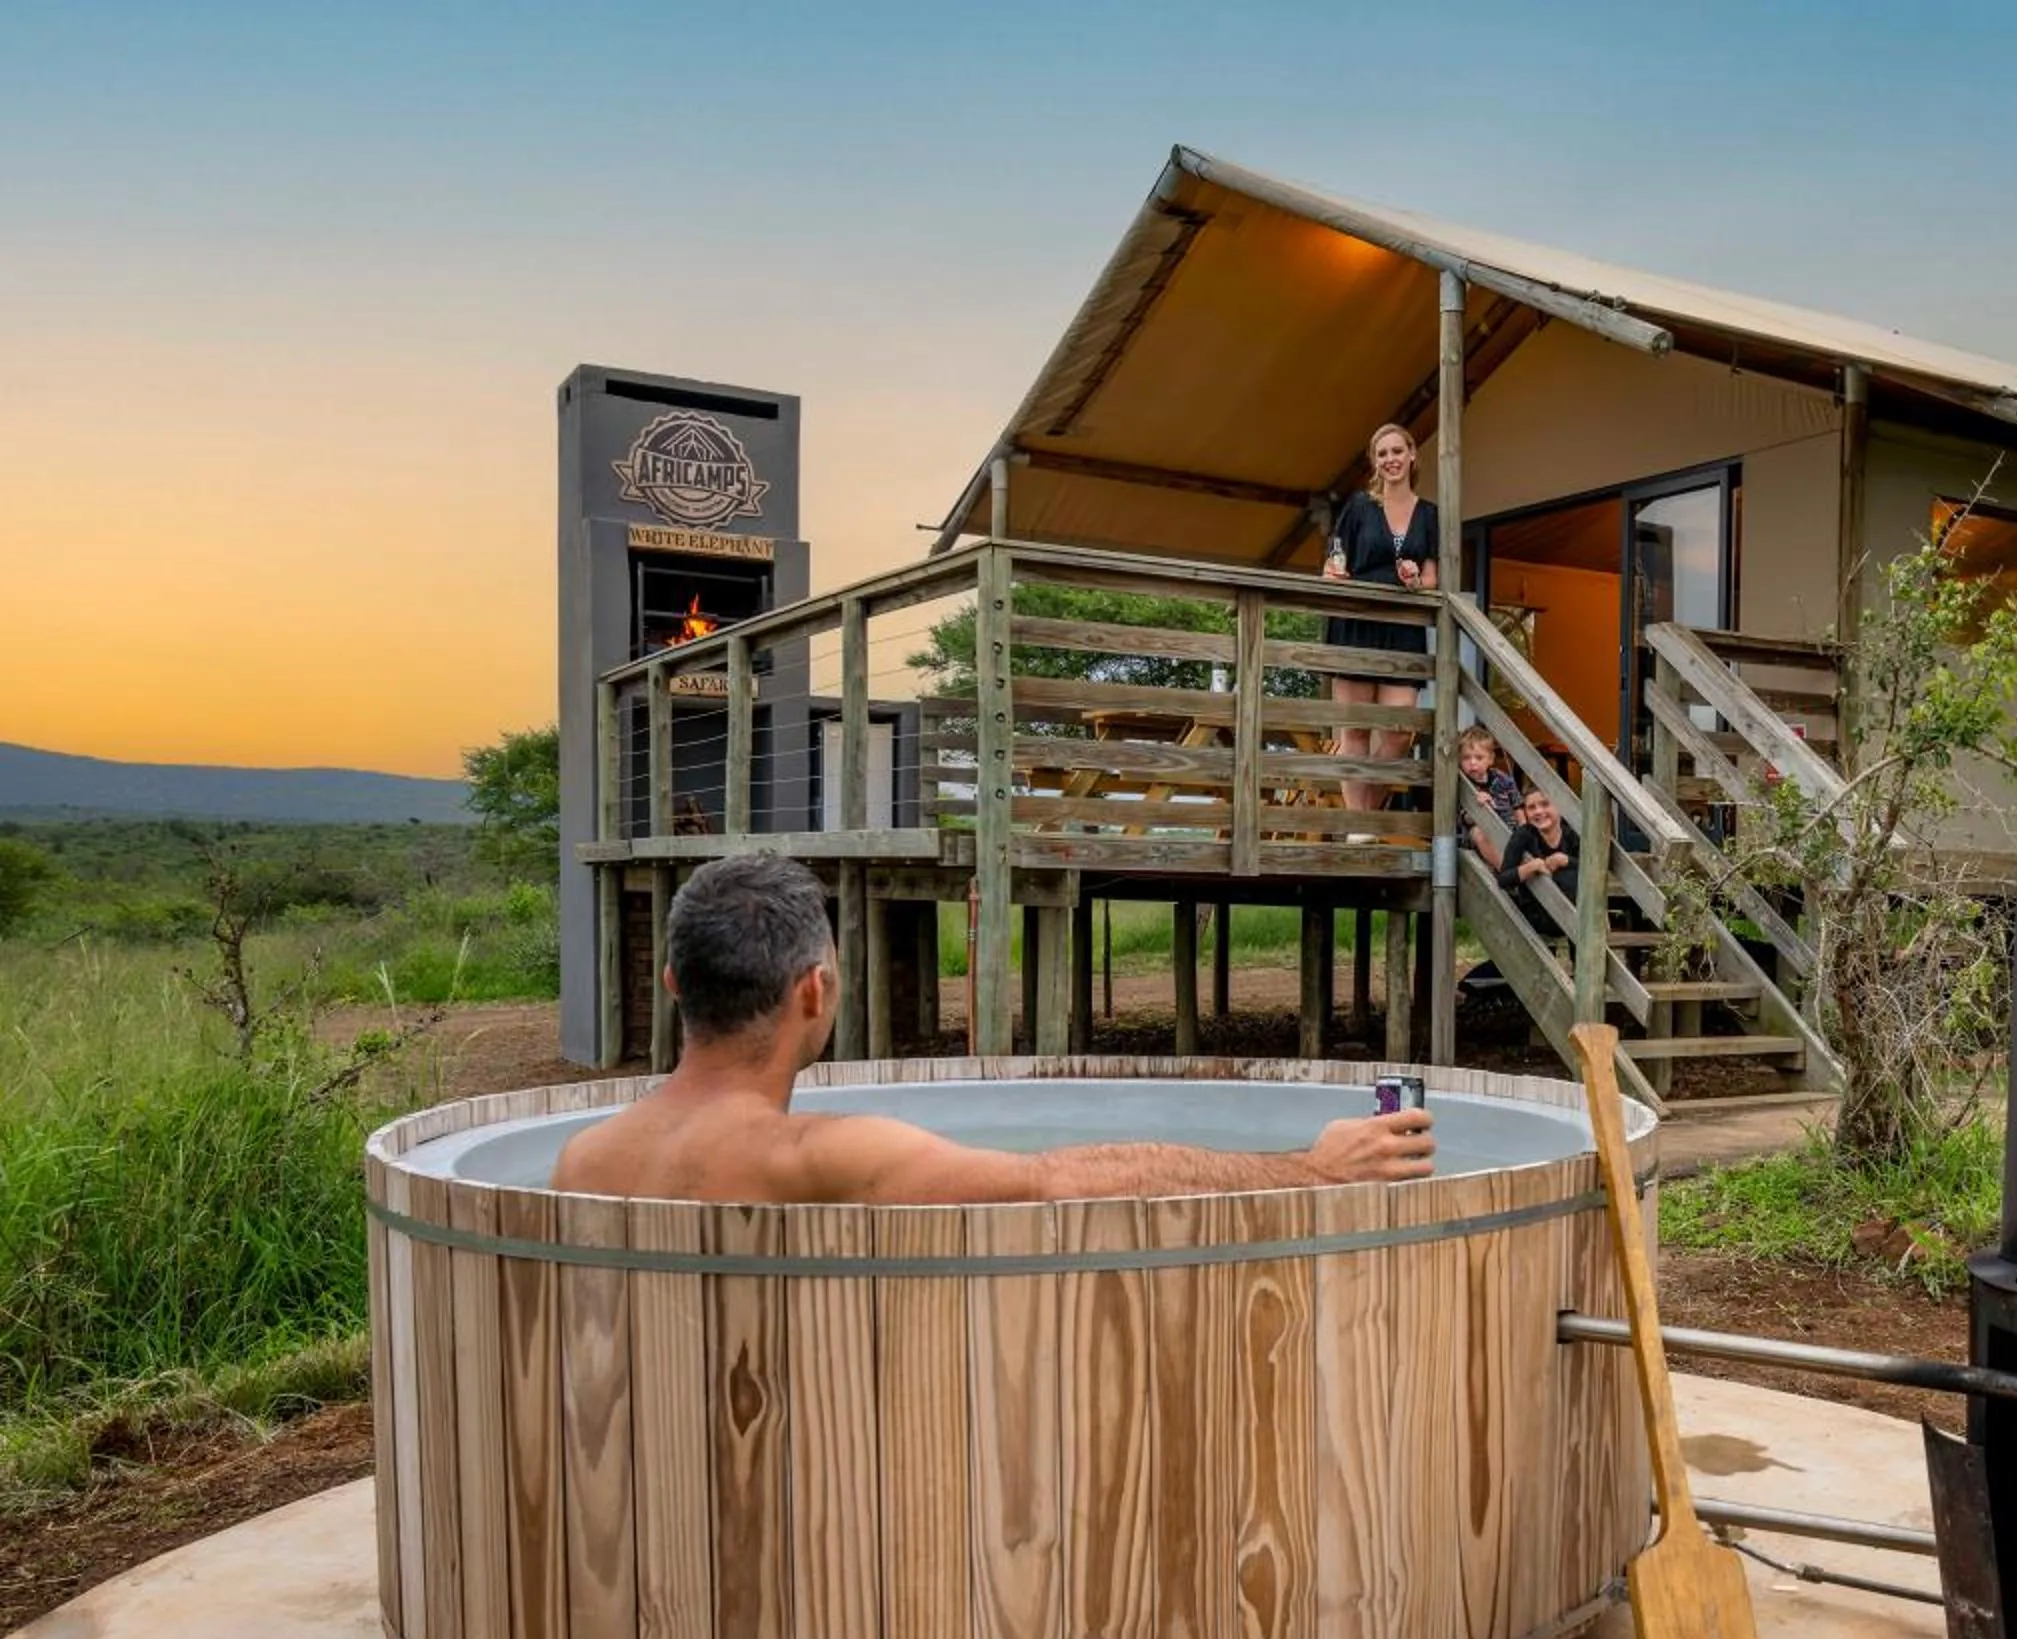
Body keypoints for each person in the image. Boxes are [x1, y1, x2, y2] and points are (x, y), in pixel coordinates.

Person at [552, 855, 1434, 1203]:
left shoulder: (581, 1163)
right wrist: (1312, 1170)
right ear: (815, 991)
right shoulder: (820, 1158)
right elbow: (1063, 1184)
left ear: (673, 984)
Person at [1319, 423, 1438, 819]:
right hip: (1357, 622)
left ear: (1412, 454)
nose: (1390, 460)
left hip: (1403, 628)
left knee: (1400, 732)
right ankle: (1360, 826)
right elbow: (1335, 559)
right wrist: (1333, 572)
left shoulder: (1429, 514)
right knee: (1354, 729)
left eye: (1397, 451)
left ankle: (1362, 815)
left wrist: (1416, 581)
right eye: (1382, 454)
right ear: (1375, 462)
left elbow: (1433, 577)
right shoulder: (1358, 506)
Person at [1497, 784, 1584, 933]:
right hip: (1539, 911)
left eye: (1545, 804)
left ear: (1559, 807)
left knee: (1572, 876)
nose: (1538, 811)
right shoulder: (1523, 835)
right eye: (1531, 807)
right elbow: (1503, 879)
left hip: (1576, 910)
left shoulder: (1571, 835)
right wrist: (1532, 867)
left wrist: (1566, 860)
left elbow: (1592, 868)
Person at [1456, 723, 1523, 870]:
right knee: (1479, 833)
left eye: (1479, 757)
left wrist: (1524, 829)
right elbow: (1462, 818)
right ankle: (1507, 871)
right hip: (1477, 836)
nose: (1472, 762)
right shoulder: (1461, 784)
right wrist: (1477, 809)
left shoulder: (1502, 779)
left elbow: (1517, 805)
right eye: (1466, 758)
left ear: (1490, 759)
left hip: (1507, 831)